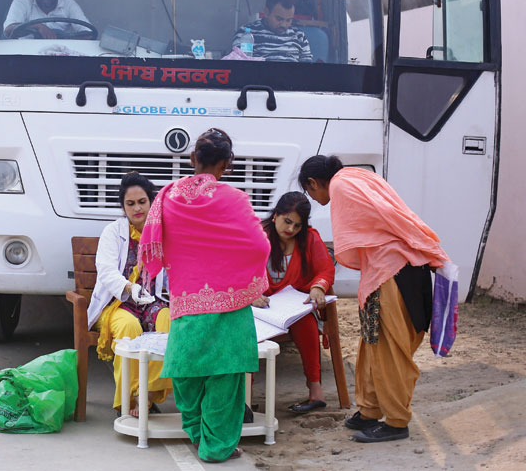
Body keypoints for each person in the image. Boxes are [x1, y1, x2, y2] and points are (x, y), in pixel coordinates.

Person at [298, 155, 451, 444]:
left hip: (392, 273)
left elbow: (385, 220)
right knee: (371, 344)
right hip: (392, 271)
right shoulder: (359, 177)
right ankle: (369, 410)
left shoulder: (342, 186)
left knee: (389, 349)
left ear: (313, 182)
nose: (315, 199)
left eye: (311, 192)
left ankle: (396, 421)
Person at [138, 128, 269, 463]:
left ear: (193, 158)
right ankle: (218, 446)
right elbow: (259, 245)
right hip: (230, 303)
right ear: (226, 164)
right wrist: (237, 274)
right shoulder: (234, 199)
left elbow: (153, 243)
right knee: (225, 376)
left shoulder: (166, 197)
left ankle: (198, 435)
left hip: (186, 301)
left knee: (187, 372)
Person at [85, 171, 170, 418]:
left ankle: (149, 394)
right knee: (129, 328)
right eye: (130, 204)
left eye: (142, 202)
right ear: (123, 207)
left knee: (168, 322)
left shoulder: (162, 233)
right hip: (117, 304)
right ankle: (127, 397)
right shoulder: (113, 232)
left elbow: (176, 269)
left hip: (151, 302)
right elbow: (107, 271)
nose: (137, 208)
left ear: (151, 202)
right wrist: (130, 288)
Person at [255, 191, 335, 414]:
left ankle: (315, 392)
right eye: (287, 221)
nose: (290, 229)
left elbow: (326, 269)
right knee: (246, 333)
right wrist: (250, 293)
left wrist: (318, 286)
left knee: (306, 324)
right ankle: (244, 401)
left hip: (291, 310)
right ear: (276, 215)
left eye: (297, 226)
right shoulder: (257, 236)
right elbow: (237, 269)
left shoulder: (309, 238)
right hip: (260, 308)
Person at [231, 0, 312, 62]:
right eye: (279, 19)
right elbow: (240, 66)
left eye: (288, 20)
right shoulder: (246, 33)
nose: (284, 24)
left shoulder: (299, 36)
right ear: (266, 12)